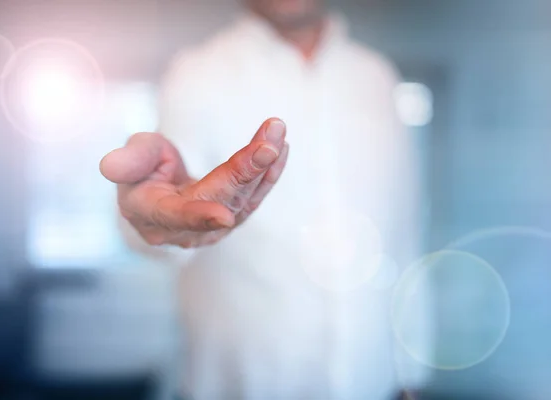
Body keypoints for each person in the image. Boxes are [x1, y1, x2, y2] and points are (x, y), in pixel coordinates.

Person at [101, 0, 430, 399]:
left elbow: (404, 233)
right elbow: (160, 214)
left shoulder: (376, 77)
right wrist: (154, 220)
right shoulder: (198, 73)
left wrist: (412, 371)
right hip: (239, 385)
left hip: (371, 383)